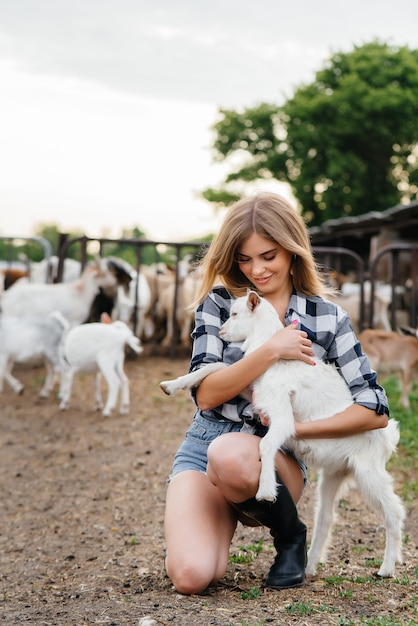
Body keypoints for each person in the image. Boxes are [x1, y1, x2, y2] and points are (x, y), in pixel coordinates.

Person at [164, 191, 389, 595]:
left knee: (232, 455)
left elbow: (375, 408)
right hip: (205, 446)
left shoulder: (327, 316)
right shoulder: (220, 304)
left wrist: (299, 429)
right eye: (245, 259)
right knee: (192, 576)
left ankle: (290, 536)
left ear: (291, 250)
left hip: (277, 456)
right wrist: (272, 350)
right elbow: (206, 395)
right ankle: (215, 516)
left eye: (268, 256)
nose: (257, 270)